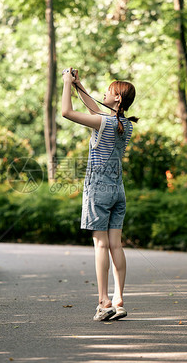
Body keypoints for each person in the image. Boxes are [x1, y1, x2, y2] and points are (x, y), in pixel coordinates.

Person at [61, 68, 138, 321]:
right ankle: (118, 299)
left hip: (98, 190)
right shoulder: (125, 125)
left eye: (109, 90)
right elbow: (96, 111)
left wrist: (65, 84)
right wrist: (78, 85)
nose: (105, 92)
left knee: (101, 244)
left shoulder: (104, 122)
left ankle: (103, 301)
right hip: (118, 191)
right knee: (116, 244)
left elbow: (67, 112)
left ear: (117, 99)